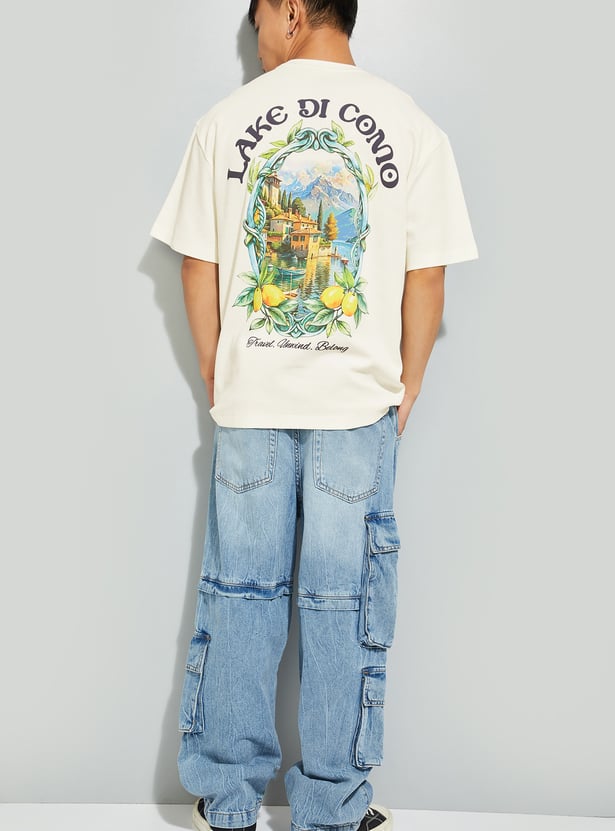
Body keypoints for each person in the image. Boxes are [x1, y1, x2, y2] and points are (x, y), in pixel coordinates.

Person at [150, 2, 479, 831]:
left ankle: (228, 801)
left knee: (240, 592)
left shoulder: (224, 122)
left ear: (292, 10)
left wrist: (217, 370)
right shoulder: (411, 125)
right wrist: (406, 383)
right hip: (356, 407)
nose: (256, 37)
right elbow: (427, 275)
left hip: (251, 403)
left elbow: (197, 263)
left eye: (258, 17)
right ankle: (330, 806)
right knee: (342, 603)